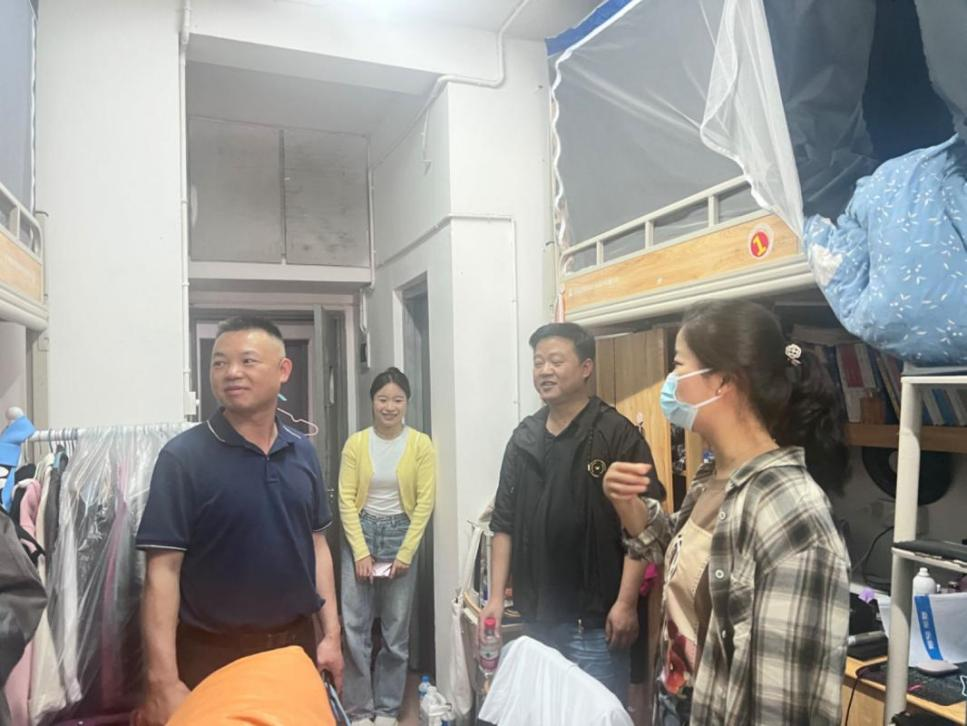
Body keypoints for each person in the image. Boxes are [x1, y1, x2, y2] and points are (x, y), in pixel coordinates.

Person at [603, 300, 850, 725]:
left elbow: (780, 706)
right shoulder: (713, 477)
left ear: (721, 381)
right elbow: (684, 558)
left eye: (678, 366)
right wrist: (628, 505)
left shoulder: (790, 510)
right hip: (681, 704)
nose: (670, 383)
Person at [134, 316, 343, 725]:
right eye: (219, 362)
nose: (231, 372)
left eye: (247, 361)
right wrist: (162, 681)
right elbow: (162, 571)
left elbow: (317, 546)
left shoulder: (302, 452)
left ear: (283, 370)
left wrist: (332, 636)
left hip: (293, 652)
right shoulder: (183, 458)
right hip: (212, 657)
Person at [482, 322, 664, 704]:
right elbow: (504, 523)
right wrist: (496, 598)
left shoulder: (617, 433)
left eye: (555, 361)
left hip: (595, 624)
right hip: (537, 619)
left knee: (593, 712)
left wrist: (626, 603)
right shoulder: (524, 438)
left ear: (585, 368)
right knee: (544, 711)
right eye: (538, 363)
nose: (544, 371)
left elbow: (644, 529)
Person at [338, 367, 435, 726]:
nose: (389, 407)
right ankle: (360, 710)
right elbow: (346, 499)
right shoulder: (356, 444)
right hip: (360, 533)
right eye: (382, 399)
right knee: (355, 629)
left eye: (397, 399)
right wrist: (360, 551)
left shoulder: (420, 444)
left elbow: (424, 502)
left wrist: (406, 553)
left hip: (400, 534)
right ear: (372, 402)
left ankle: (387, 710)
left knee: (395, 632)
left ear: (406, 402)